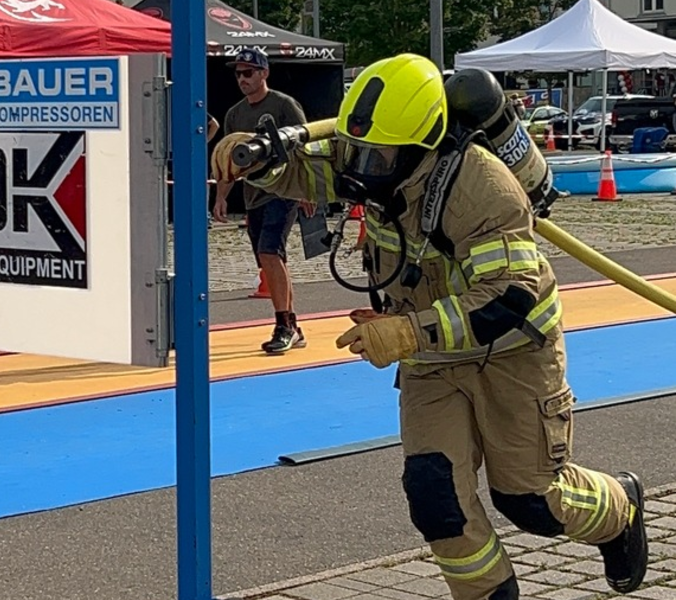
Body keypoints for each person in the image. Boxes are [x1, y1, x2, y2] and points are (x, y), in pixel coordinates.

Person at [211, 53, 647, 600]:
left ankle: (621, 508)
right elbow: (318, 169)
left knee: (531, 501)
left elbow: (507, 297)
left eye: (379, 156)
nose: (363, 168)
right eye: (360, 152)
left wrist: (408, 332)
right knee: (435, 496)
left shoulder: (483, 188)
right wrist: (256, 162)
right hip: (433, 361)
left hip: (512, 351)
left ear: (425, 144)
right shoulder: (376, 153)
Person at [213, 47, 310, 354]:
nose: (242, 78)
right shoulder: (235, 114)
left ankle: (282, 325)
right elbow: (228, 159)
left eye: (248, 72)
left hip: (284, 192)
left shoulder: (283, 105)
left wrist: (308, 190)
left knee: (270, 251)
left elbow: (305, 145)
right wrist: (221, 198)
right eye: (238, 73)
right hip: (254, 195)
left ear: (264, 73)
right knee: (271, 259)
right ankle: (293, 325)